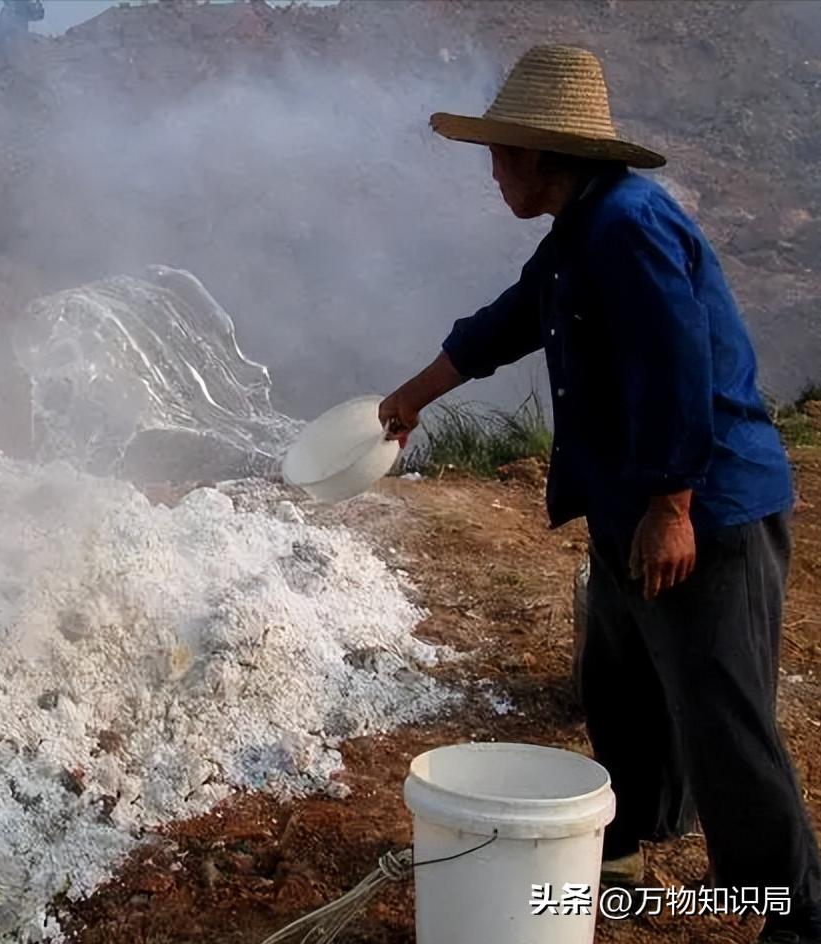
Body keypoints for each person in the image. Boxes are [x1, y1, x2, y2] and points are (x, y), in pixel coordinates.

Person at [379, 45, 821, 944]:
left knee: (721, 713)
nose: (493, 172)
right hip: (630, 497)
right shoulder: (580, 229)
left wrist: (671, 509)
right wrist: (413, 397)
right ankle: (628, 840)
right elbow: (510, 318)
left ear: (545, 155)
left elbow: (678, 366)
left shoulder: (627, 225)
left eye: (502, 155)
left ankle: (791, 911)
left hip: (707, 504)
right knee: (622, 681)